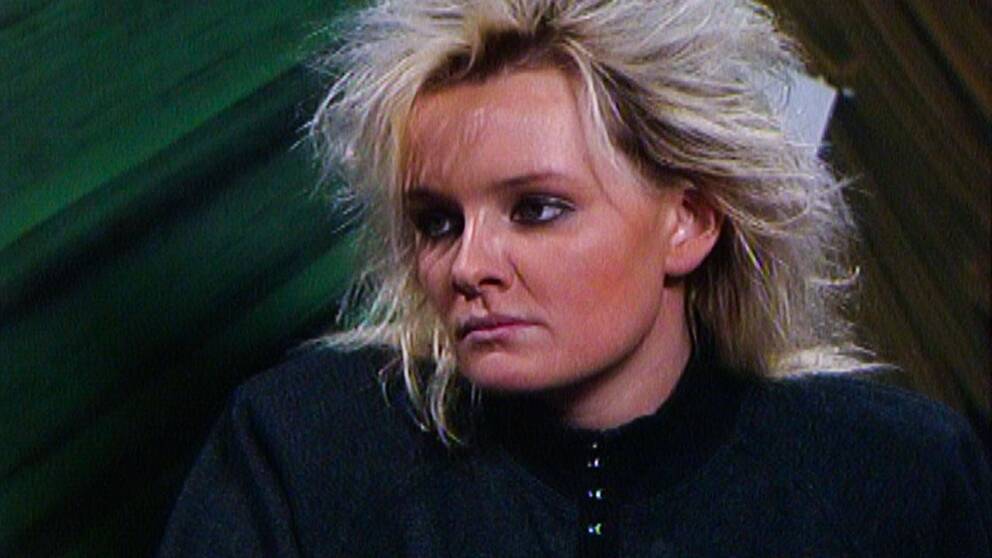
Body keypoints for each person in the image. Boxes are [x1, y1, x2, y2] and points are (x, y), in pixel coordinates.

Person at [159, 1, 991, 556]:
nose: (469, 266)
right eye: (437, 222)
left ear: (690, 220)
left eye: (537, 209)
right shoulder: (301, 452)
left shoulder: (894, 477)